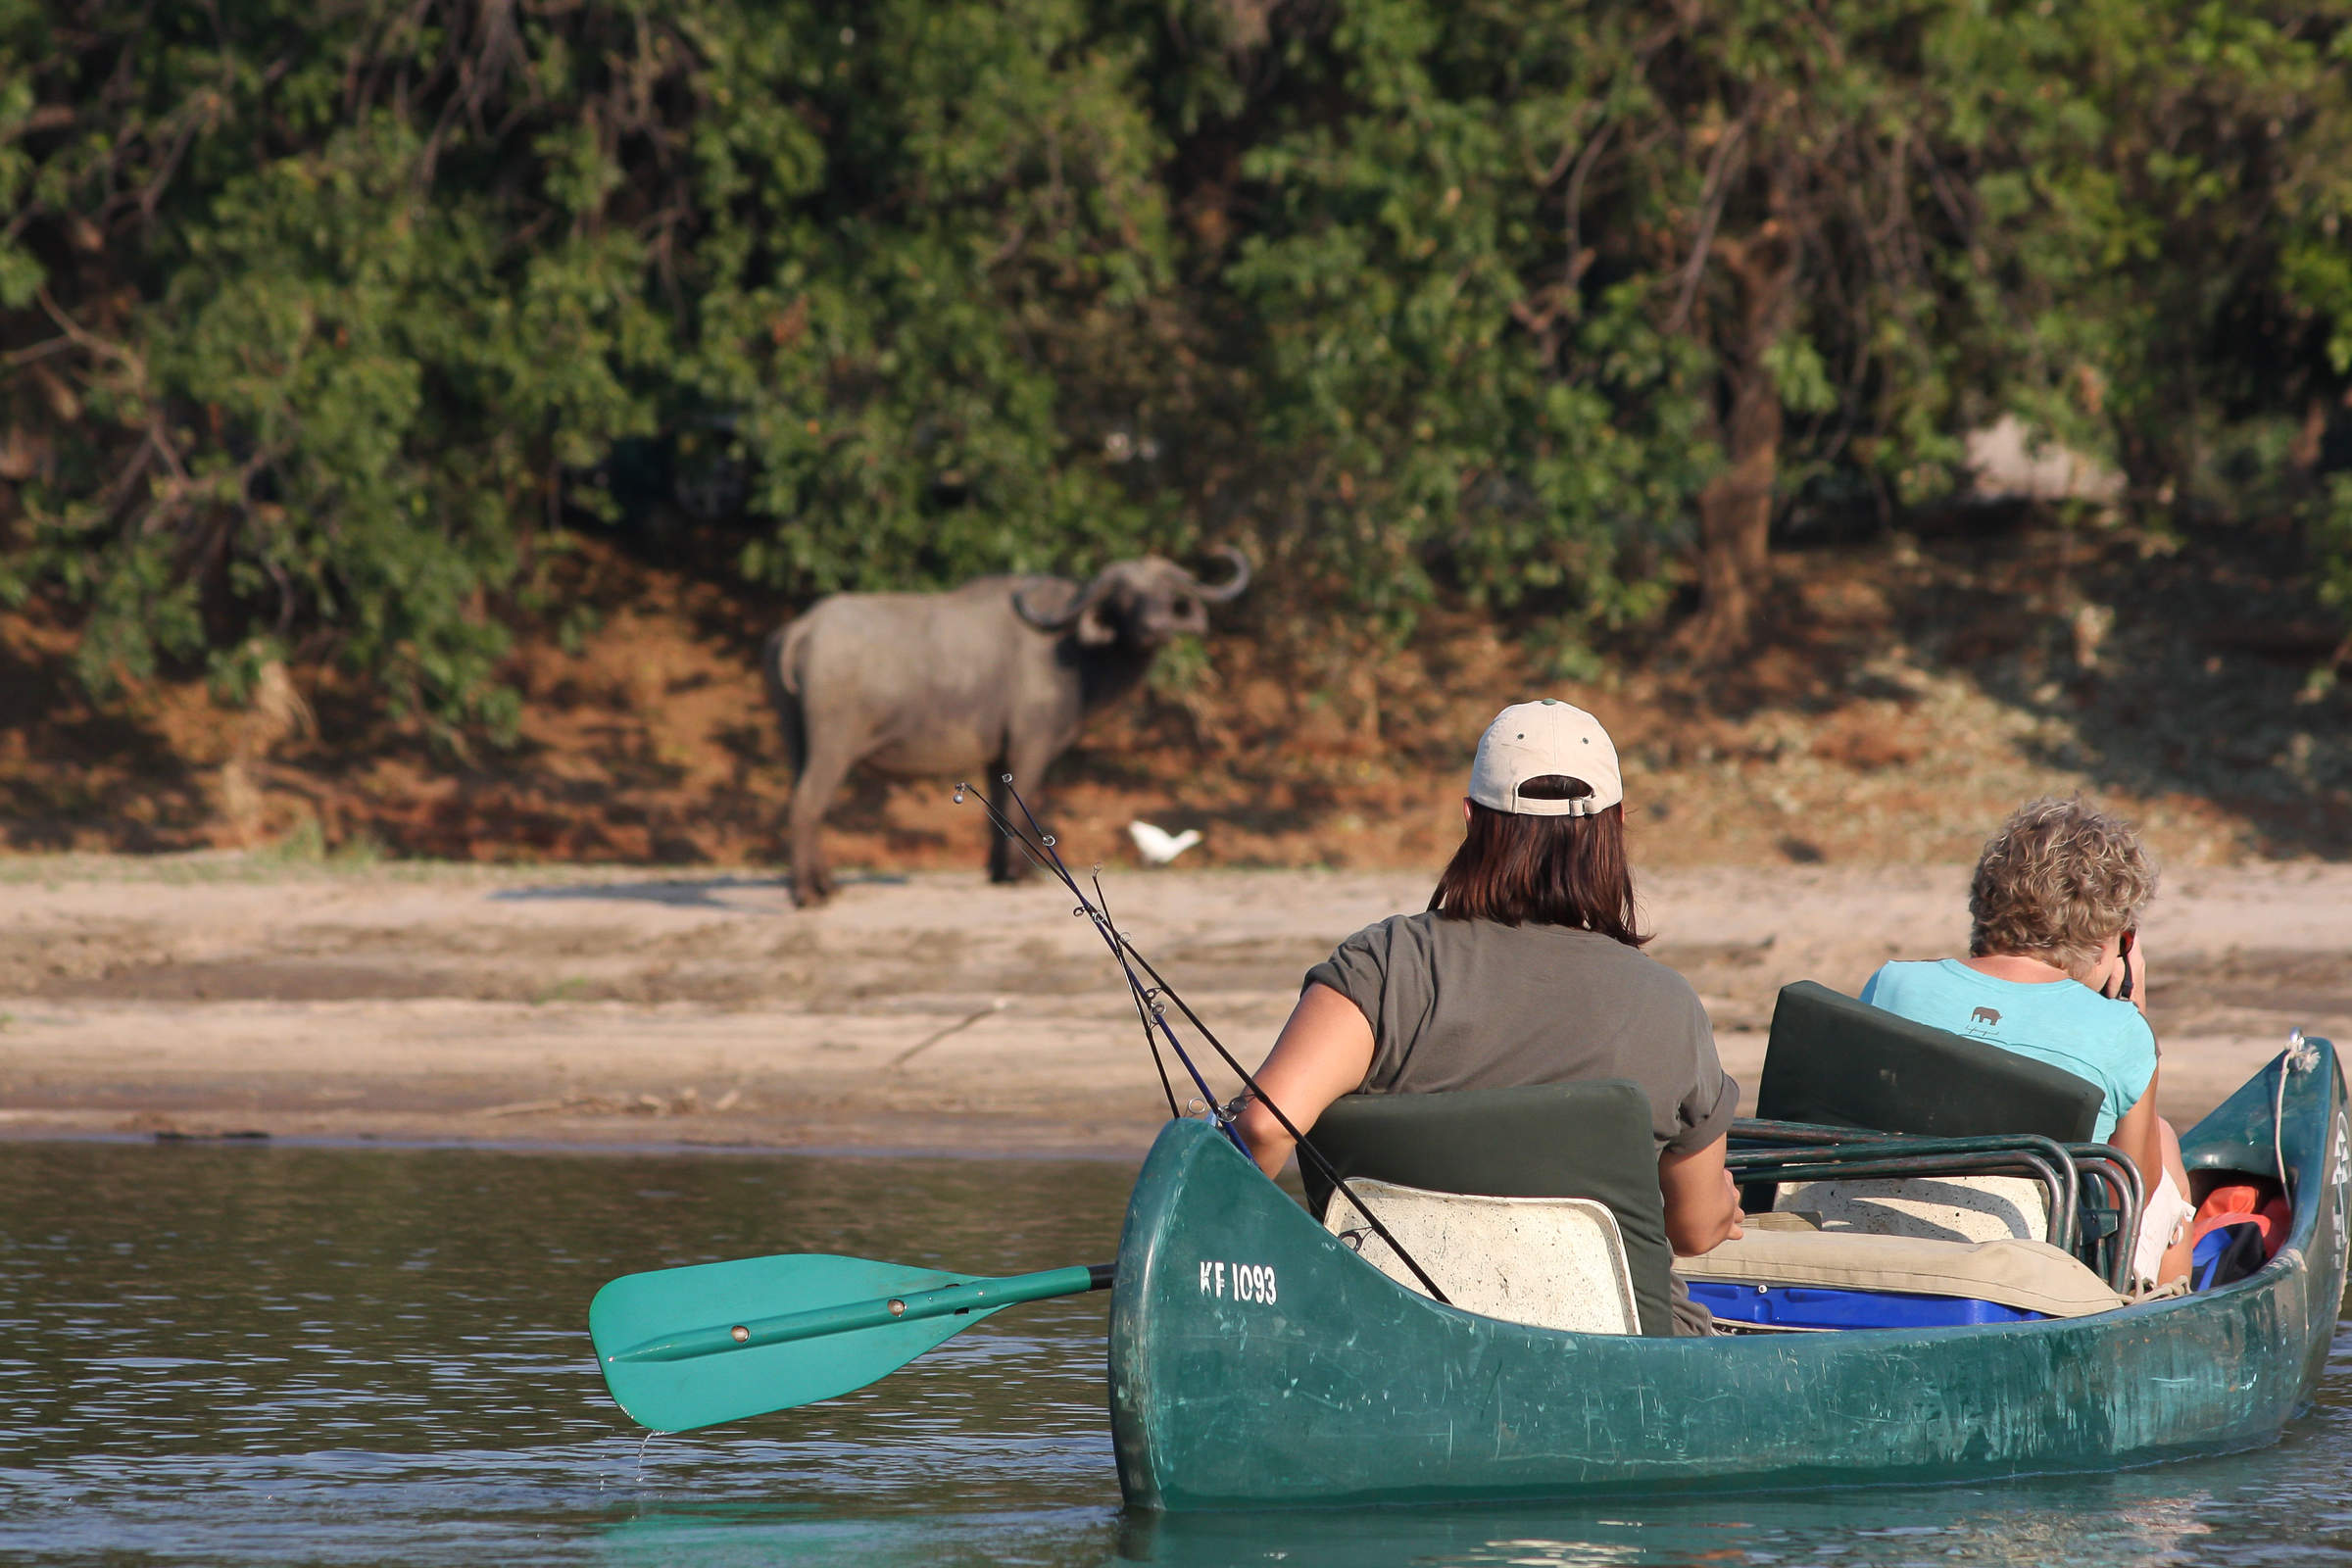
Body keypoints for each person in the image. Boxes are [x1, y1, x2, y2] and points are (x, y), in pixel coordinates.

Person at [1232, 700, 1744, 1336]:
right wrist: (1726, 1201)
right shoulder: (1670, 1005)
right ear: (1613, 830)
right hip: (1627, 1371)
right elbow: (1693, 1229)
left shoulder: (1387, 966)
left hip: (1393, 1352)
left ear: (1472, 818)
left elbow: (1261, 1126)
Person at [1857, 797, 2195, 1288]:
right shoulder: (2121, 1030)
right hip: (2034, 1267)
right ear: (2111, 937)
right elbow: (2133, 1195)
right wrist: (2133, 1010)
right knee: (2160, 1145)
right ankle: (2169, 1316)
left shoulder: (1891, 984)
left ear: (1986, 902)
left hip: (1881, 1227)